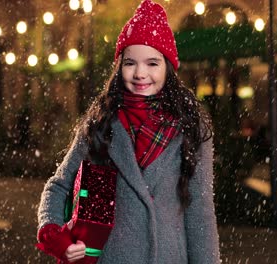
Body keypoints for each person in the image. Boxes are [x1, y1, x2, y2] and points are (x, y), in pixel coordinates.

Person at [36, 0, 221, 263]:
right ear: (119, 67)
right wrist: (55, 235)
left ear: (168, 67)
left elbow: (200, 215)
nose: (140, 73)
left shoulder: (190, 126)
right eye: (130, 62)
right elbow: (58, 186)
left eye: (152, 63)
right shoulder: (101, 122)